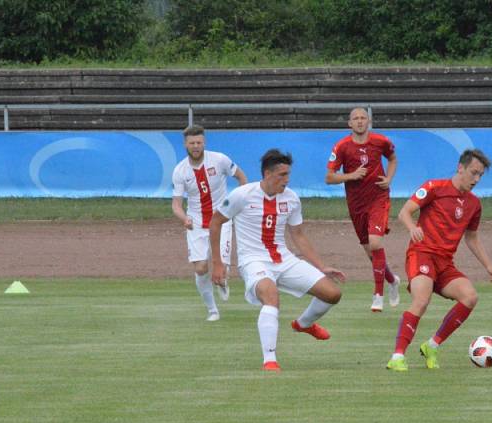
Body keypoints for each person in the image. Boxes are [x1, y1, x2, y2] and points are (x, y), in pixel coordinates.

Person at [210, 149, 345, 372]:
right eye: (282, 175)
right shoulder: (242, 195)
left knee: (333, 294)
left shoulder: (291, 198)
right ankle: (269, 360)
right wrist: (218, 263)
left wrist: (321, 266)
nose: (287, 179)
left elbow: (298, 235)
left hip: (284, 260)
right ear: (267, 174)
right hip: (253, 261)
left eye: (288, 174)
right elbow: (216, 223)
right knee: (271, 296)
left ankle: (303, 324)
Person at [386, 149, 492, 371]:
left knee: (470, 297)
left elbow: (472, 237)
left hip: (445, 263)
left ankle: (432, 345)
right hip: (422, 254)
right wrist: (412, 228)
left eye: (480, 176)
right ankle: (397, 356)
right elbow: (404, 212)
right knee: (421, 300)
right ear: (460, 168)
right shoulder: (434, 188)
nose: (476, 179)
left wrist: (488, 265)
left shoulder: (474, 204)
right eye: (473, 173)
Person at [326, 107, 401, 312]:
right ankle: (393, 281)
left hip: (378, 197)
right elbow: (329, 177)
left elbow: (393, 158)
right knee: (371, 253)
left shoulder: (381, 141)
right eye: (355, 119)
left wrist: (389, 178)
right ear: (349, 123)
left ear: (368, 122)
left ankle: (378, 295)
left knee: (376, 243)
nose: (359, 121)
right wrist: (351, 176)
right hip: (356, 204)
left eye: (363, 118)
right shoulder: (341, 146)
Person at [172, 124, 248, 321]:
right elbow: (176, 204)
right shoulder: (180, 170)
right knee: (200, 268)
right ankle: (212, 310)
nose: (195, 146)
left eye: (198, 142)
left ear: (204, 142)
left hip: (221, 219)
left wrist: (241, 203)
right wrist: (184, 218)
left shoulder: (220, 159)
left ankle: (222, 280)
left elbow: (241, 177)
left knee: (222, 268)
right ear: (185, 145)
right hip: (196, 223)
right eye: (191, 143)